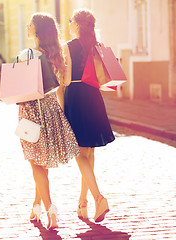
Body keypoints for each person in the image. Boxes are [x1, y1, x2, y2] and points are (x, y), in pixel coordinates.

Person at [18, 13, 80, 230]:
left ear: (36, 31)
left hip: (31, 111)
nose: (27, 26)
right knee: (43, 163)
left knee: (35, 162)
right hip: (52, 108)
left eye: (30, 24)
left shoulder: (27, 54)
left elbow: (20, 88)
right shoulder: (58, 52)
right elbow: (66, 81)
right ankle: (36, 205)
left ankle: (50, 209)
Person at [60, 9, 115, 223]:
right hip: (93, 97)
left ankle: (99, 198)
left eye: (71, 21)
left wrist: (62, 109)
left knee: (78, 152)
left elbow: (65, 81)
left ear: (75, 24)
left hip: (76, 97)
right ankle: (82, 204)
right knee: (89, 153)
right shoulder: (97, 46)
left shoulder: (68, 47)